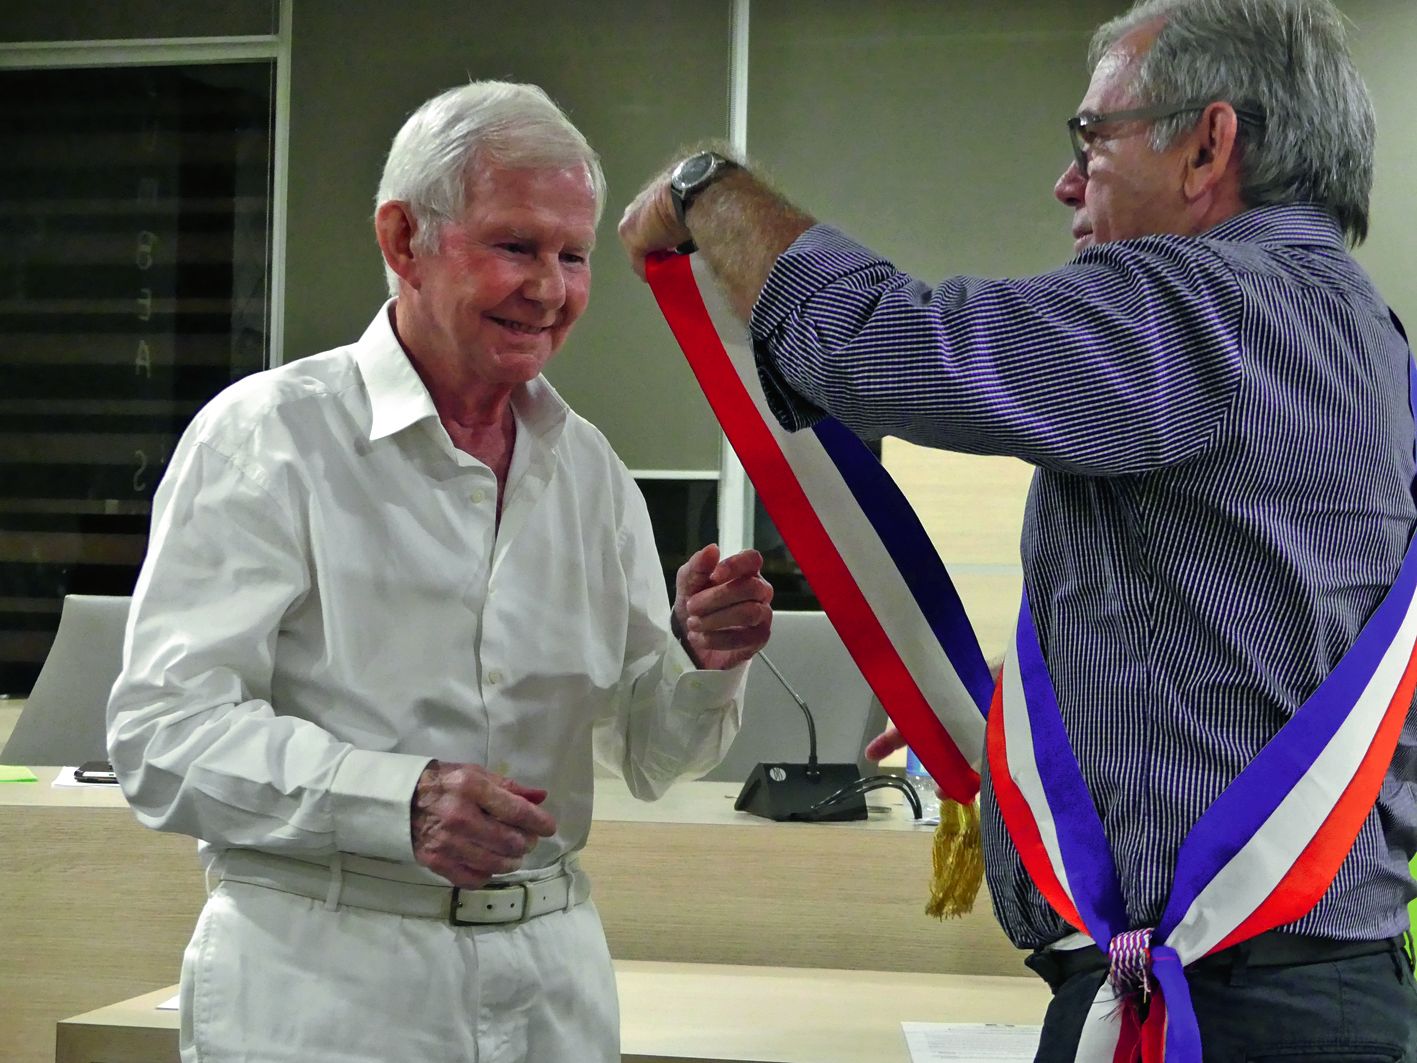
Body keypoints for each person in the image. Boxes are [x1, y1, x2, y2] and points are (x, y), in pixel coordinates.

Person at [619, 0, 1417, 1056]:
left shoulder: (1193, 307)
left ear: (1206, 146)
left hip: (1216, 1014)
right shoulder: (1364, 334)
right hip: (1330, 984)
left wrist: (706, 190)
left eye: (1093, 137)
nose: (1065, 180)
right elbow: (1245, 636)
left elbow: (880, 345)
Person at [108, 81, 772, 1063]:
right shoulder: (271, 438)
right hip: (327, 980)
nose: (548, 288)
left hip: (555, 976)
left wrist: (703, 660)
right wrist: (392, 799)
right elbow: (161, 736)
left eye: (573, 255)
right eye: (514, 245)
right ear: (401, 239)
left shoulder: (585, 467)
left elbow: (651, 751)